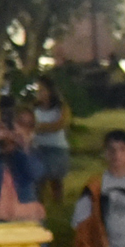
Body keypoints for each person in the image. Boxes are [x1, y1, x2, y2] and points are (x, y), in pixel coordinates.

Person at [0, 118, 47, 222]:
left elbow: (37, 173)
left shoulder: (28, 154)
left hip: (28, 214)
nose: (7, 136)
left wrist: (25, 145)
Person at [29, 77, 71, 205]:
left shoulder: (61, 108)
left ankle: (58, 204)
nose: (39, 94)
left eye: (42, 90)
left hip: (57, 148)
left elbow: (60, 124)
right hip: (38, 147)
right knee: (39, 179)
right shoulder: (33, 108)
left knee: (56, 180)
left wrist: (39, 127)